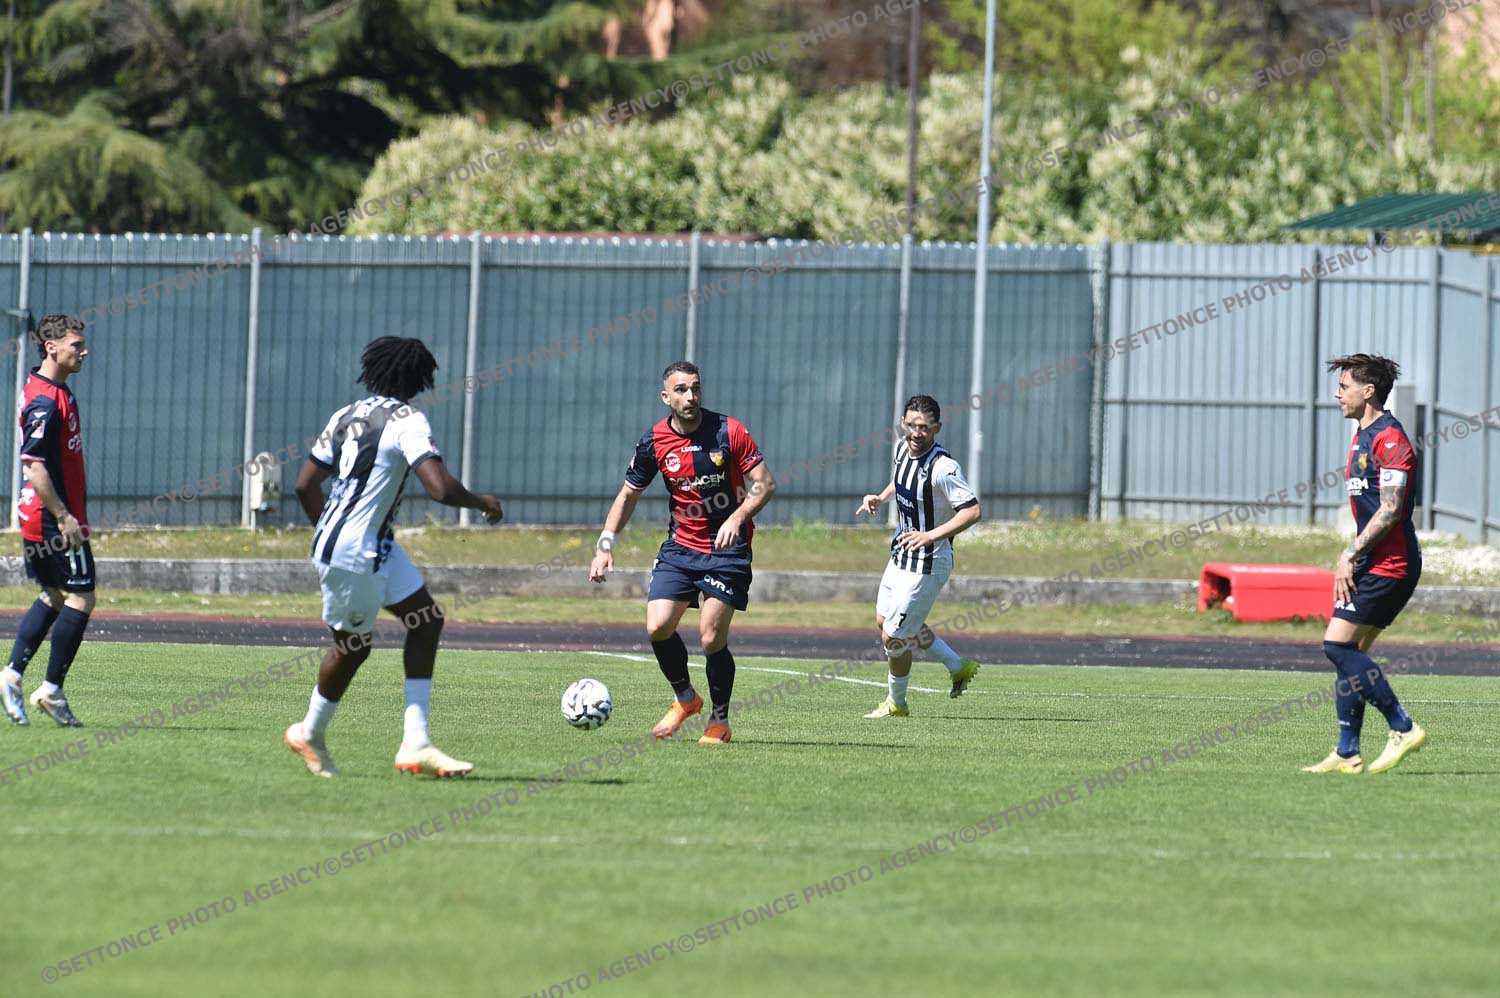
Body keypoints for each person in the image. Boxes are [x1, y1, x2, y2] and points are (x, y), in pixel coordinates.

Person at [285, 337, 503, 778]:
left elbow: (305, 485)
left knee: (426, 620)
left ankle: (416, 743)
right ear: (420, 378)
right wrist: (483, 501)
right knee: (352, 648)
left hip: (370, 544)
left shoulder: (346, 415)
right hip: (355, 551)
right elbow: (439, 488)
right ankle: (309, 732)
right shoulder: (409, 420)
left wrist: (330, 531)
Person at [588, 362, 775, 745]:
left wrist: (737, 517)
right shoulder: (654, 441)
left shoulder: (729, 431)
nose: (691, 397)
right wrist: (605, 545)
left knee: (710, 637)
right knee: (658, 627)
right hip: (680, 547)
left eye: (695, 388)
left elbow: (765, 483)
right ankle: (686, 699)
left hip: (727, 550)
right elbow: (628, 495)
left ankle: (719, 720)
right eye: (681, 390)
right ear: (666, 397)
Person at [1303, 353, 1426, 775]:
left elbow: (1391, 510)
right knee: (1349, 654)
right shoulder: (1362, 435)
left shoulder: (1390, 439)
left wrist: (1349, 554)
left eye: (1344, 387)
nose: (1337, 394)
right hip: (1373, 561)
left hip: (1391, 564)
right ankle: (1347, 752)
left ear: (1368, 391)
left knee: (1336, 646)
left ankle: (1402, 726)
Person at [856, 395, 981, 718]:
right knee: (885, 620)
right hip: (902, 555)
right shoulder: (902, 449)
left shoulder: (944, 468)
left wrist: (930, 535)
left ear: (936, 428)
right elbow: (900, 482)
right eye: (911, 425)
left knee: (894, 636)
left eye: (924, 427)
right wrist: (880, 498)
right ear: (902, 424)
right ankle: (958, 665)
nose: (916, 432)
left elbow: (972, 511)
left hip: (929, 562)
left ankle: (897, 703)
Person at [1, 315, 94, 727]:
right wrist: (65, 516)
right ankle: (51, 690)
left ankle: (11, 676)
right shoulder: (44, 401)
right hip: (52, 518)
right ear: (52, 347)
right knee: (81, 596)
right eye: (77, 345)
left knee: (55, 595)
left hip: (44, 515)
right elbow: (34, 466)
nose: (84, 351)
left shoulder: (54, 390)